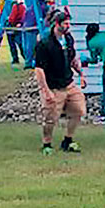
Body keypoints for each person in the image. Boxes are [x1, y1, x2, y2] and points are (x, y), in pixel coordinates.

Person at [34, 10, 86, 155]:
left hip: (69, 83)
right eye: (66, 23)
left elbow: (72, 59)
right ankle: (47, 144)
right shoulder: (45, 42)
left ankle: (68, 140)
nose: (68, 26)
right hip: (53, 86)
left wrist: (81, 74)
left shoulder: (68, 38)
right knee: (50, 118)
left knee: (79, 111)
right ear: (57, 24)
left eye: (69, 23)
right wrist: (46, 91)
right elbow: (39, 70)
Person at [6, 0, 27, 67]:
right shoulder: (23, 7)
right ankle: (25, 58)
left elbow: (12, 17)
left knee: (13, 44)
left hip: (11, 26)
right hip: (18, 26)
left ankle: (16, 59)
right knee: (20, 44)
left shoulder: (15, 6)